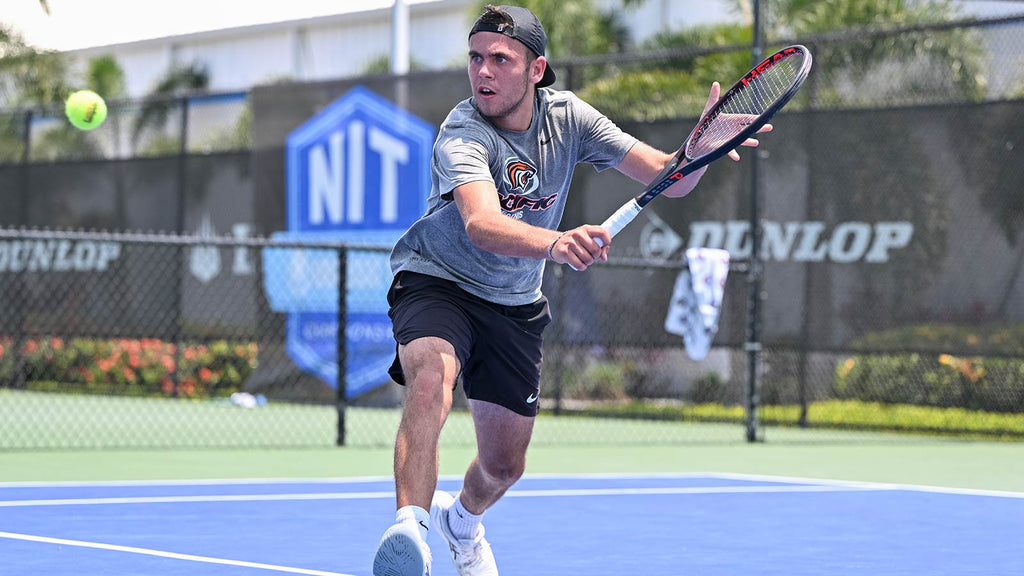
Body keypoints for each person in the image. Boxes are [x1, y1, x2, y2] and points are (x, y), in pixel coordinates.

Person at [372, 5, 769, 576]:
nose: (483, 71)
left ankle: (461, 522)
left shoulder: (568, 118)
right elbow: (481, 225)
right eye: (475, 58)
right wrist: (557, 243)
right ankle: (409, 532)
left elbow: (665, 174)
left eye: (500, 60)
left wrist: (701, 148)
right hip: (439, 280)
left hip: (513, 303)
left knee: (504, 467)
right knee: (430, 377)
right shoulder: (461, 132)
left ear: (536, 70)